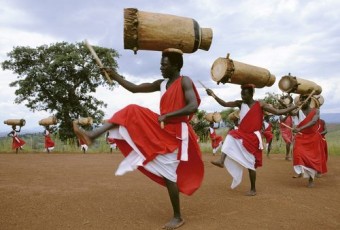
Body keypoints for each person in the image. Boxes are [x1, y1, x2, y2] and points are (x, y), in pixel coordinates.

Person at [73, 48, 204, 229]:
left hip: (177, 134)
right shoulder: (161, 83)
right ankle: (93, 135)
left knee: (169, 175)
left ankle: (178, 217)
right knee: (131, 111)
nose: (161, 67)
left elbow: (193, 106)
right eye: (160, 64)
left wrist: (168, 116)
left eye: (164, 64)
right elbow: (134, 89)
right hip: (163, 128)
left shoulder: (185, 81)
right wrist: (115, 75)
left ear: (175, 65)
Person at [206, 84, 298, 196]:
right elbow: (224, 103)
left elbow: (277, 112)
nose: (242, 96)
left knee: (250, 164)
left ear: (251, 93)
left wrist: (294, 106)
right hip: (241, 133)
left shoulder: (260, 104)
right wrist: (213, 95)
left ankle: (253, 189)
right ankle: (221, 161)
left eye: (244, 94)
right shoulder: (240, 103)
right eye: (241, 94)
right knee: (230, 136)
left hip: (253, 138)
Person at [292, 94, 327, 187]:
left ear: (308, 101)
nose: (303, 101)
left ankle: (311, 179)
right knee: (298, 153)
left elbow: (314, 121)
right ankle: (301, 172)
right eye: (301, 99)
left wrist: (300, 128)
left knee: (312, 158)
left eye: (305, 99)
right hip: (301, 137)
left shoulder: (316, 111)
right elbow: (291, 113)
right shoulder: (298, 111)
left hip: (313, 138)